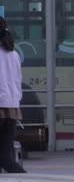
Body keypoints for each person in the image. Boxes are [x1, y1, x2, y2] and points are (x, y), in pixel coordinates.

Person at [0, 16, 27, 173]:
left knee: (3, 158)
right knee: (4, 156)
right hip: (12, 108)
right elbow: (18, 80)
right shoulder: (14, 54)